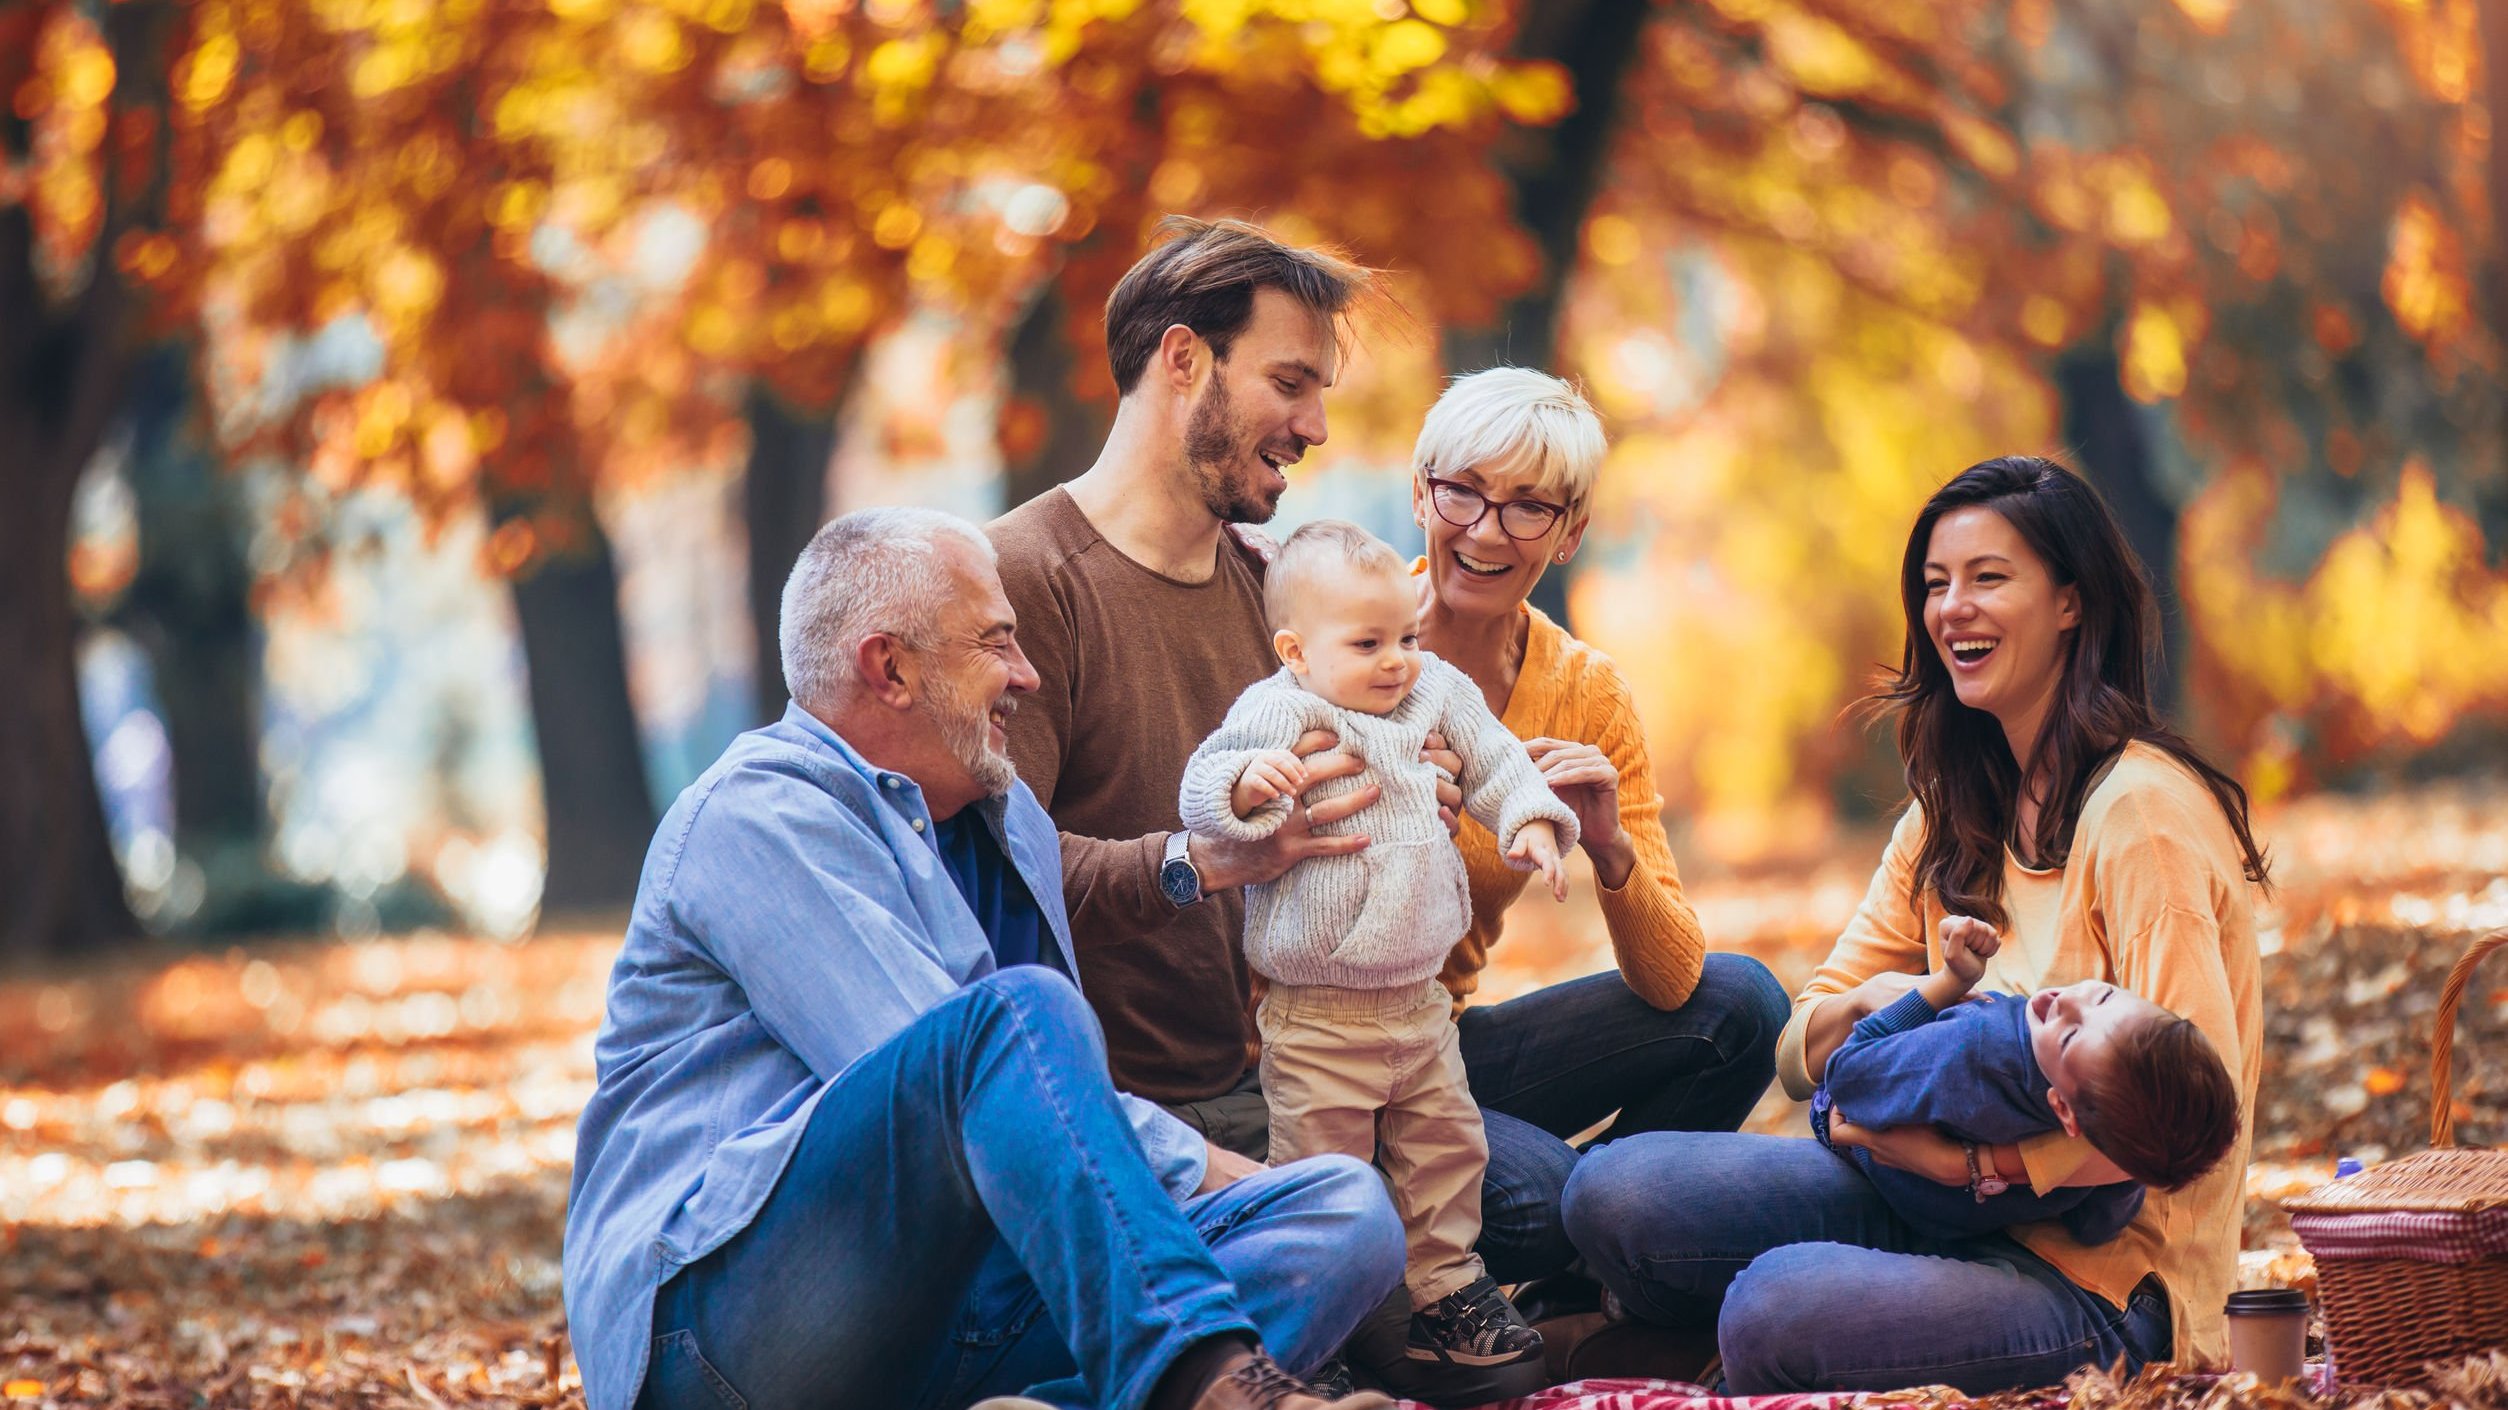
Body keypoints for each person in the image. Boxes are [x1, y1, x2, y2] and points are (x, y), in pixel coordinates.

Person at [562, 507, 1405, 1410]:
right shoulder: (757, 816)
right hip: (718, 1334)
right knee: (1016, 1013)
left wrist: (1207, 864)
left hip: (950, 1315)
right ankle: (1212, 1384)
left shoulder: (1010, 826)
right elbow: (949, 1060)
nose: (1028, 675)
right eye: (997, 642)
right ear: (889, 668)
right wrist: (1203, 1164)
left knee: (1343, 1214)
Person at [1562, 455, 2270, 1395]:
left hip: (2099, 1280)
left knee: (1777, 1305)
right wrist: (1904, 1005)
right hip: (1920, 1199)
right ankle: (1723, 1342)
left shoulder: (2141, 814)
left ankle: (1694, 1343)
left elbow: (2193, 1113)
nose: (1952, 609)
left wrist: (1980, 1161)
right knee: (1614, 1193)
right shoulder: (1949, 812)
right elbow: (1797, 1045)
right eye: (1937, 585)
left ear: (2070, 602)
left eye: (1988, 578)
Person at [1180, 520, 1577, 1370]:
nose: (1397, 658)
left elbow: (1499, 761)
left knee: (1446, 1149)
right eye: (1367, 643)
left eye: (1405, 634)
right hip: (1318, 1012)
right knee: (1325, 1176)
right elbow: (1204, 779)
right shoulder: (1279, 709)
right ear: (1296, 649)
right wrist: (1247, 786)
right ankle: (1316, 1333)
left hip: (1420, 1003)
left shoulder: (1435, 690)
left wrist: (1534, 818)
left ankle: (1448, 1291)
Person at [1809, 914, 2243, 1246]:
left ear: (2063, 1110)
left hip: (1854, 1135)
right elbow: (2096, 1227)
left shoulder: (1975, 1046)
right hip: (1961, 1211)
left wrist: (1942, 986)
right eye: (2104, 996)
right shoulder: (2108, 1123)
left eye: (2071, 1035)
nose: (2065, 1002)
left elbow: (1846, 1074)